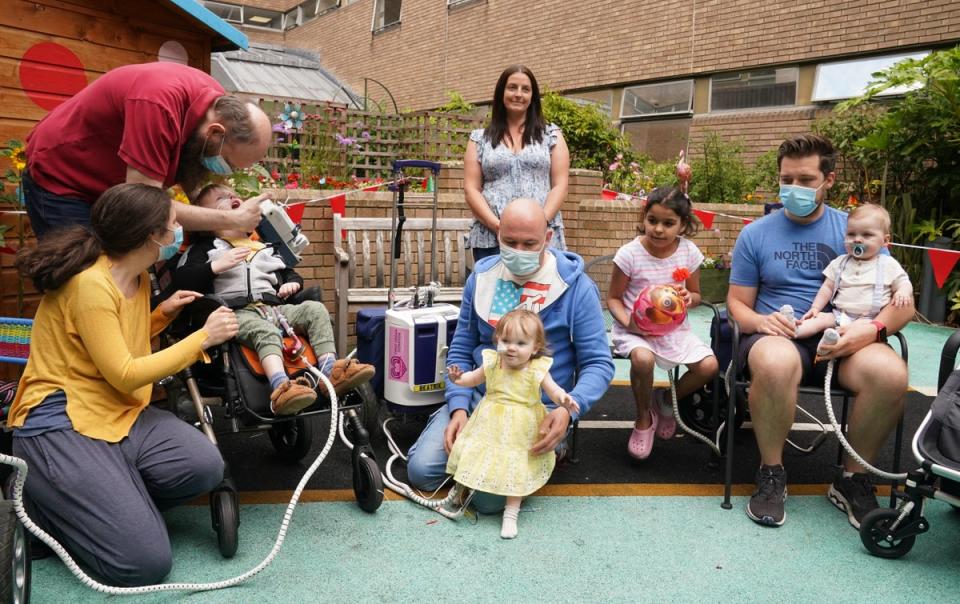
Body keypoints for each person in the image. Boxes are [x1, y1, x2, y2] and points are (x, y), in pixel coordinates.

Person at [9, 183, 239, 586]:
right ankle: (41, 503)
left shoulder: (137, 277)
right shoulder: (90, 285)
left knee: (204, 466)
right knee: (141, 564)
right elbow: (126, 372)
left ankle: (104, 494)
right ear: (151, 237)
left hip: (117, 409)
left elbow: (110, 342)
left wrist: (160, 316)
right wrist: (202, 338)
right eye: (172, 226)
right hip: (61, 419)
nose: (177, 233)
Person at [727, 134, 913, 529]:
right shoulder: (755, 234)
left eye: (806, 180)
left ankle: (851, 479)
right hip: (777, 334)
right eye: (786, 179)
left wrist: (874, 331)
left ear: (829, 180)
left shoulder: (858, 230)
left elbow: (903, 302)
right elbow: (736, 305)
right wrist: (761, 322)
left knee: (891, 373)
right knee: (775, 363)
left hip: (849, 336)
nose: (793, 189)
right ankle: (772, 474)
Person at [406, 198, 614, 515]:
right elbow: (462, 347)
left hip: (536, 407)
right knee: (420, 472)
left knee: (489, 501)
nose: (518, 250)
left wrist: (568, 410)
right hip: (481, 398)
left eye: (529, 243)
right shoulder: (481, 278)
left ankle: (545, 453)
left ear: (548, 238)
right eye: (509, 241)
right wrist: (458, 406)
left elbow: (598, 363)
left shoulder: (576, 288)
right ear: (497, 235)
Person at [172, 184, 375, 414]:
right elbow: (181, 280)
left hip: (274, 308)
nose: (232, 196)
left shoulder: (263, 245)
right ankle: (281, 387)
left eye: (233, 193)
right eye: (221, 198)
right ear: (207, 222)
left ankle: (331, 373)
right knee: (266, 332)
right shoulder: (205, 249)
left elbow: (288, 272)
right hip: (236, 313)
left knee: (315, 309)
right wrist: (214, 266)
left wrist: (293, 282)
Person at [23, 62, 272, 238]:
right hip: (63, 177)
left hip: (110, 188)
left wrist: (217, 201)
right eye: (226, 162)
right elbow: (145, 205)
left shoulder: (212, 106)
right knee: (81, 277)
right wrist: (233, 220)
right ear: (216, 132)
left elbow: (190, 164)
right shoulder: (158, 103)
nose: (224, 172)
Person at [446, 309, 580, 539]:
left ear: (535, 347)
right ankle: (456, 494)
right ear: (498, 340)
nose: (511, 347)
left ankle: (511, 512)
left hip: (521, 428)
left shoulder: (537, 369)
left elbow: (554, 390)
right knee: (472, 454)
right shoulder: (493, 362)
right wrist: (457, 378)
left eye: (520, 343)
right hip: (488, 421)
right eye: (506, 340)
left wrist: (564, 400)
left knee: (515, 467)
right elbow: (472, 379)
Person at [607, 187, 719, 460]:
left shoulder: (689, 252)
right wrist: (628, 323)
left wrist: (687, 297)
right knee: (643, 360)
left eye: (668, 223)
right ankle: (643, 418)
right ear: (644, 217)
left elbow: (695, 295)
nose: (658, 229)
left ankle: (667, 400)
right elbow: (613, 298)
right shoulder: (629, 254)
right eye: (652, 220)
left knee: (709, 366)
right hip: (636, 329)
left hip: (673, 330)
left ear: (682, 225)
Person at [464, 65, 570, 263]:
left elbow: (560, 185)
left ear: (533, 96)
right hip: (492, 238)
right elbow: (471, 189)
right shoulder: (479, 139)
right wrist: (498, 226)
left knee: (542, 292)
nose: (518, 94)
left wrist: (539, 224)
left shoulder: (551, 135)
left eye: (525, 89)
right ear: (501, 92)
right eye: (512, 87)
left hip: (541, 238)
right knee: (494, 292)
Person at [796, 204, 913, 338]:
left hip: (869, 319)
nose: (857, 239)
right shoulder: (840, 262)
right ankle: (794, 330)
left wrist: (902, 292)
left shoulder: (888, 264)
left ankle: (831, 342)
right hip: (840, 315)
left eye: (867, 235)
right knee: (820, 320)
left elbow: (903, 282)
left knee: (853, 333)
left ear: (885, 240)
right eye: (851, 234)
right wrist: (815, 308)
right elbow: (827, 287)